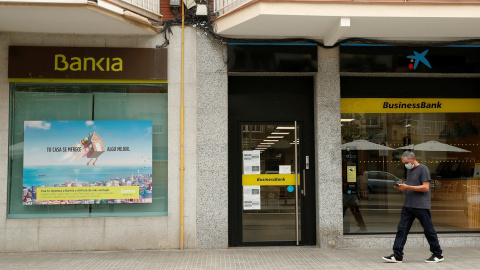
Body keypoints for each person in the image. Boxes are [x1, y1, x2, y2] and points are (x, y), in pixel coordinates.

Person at [382, 151, 444, 263]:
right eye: (404, 163)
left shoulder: (423, 169)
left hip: (421, 206)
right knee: (402, 230)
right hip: (408, 205)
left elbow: (425, 187)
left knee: (428, 230)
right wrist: (403, 187)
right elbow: (411, 186)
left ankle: (438, 254)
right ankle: (397, 255)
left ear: (413, 158)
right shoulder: (409, 170)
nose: (405, 164)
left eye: (406, 162)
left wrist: (408, 187)